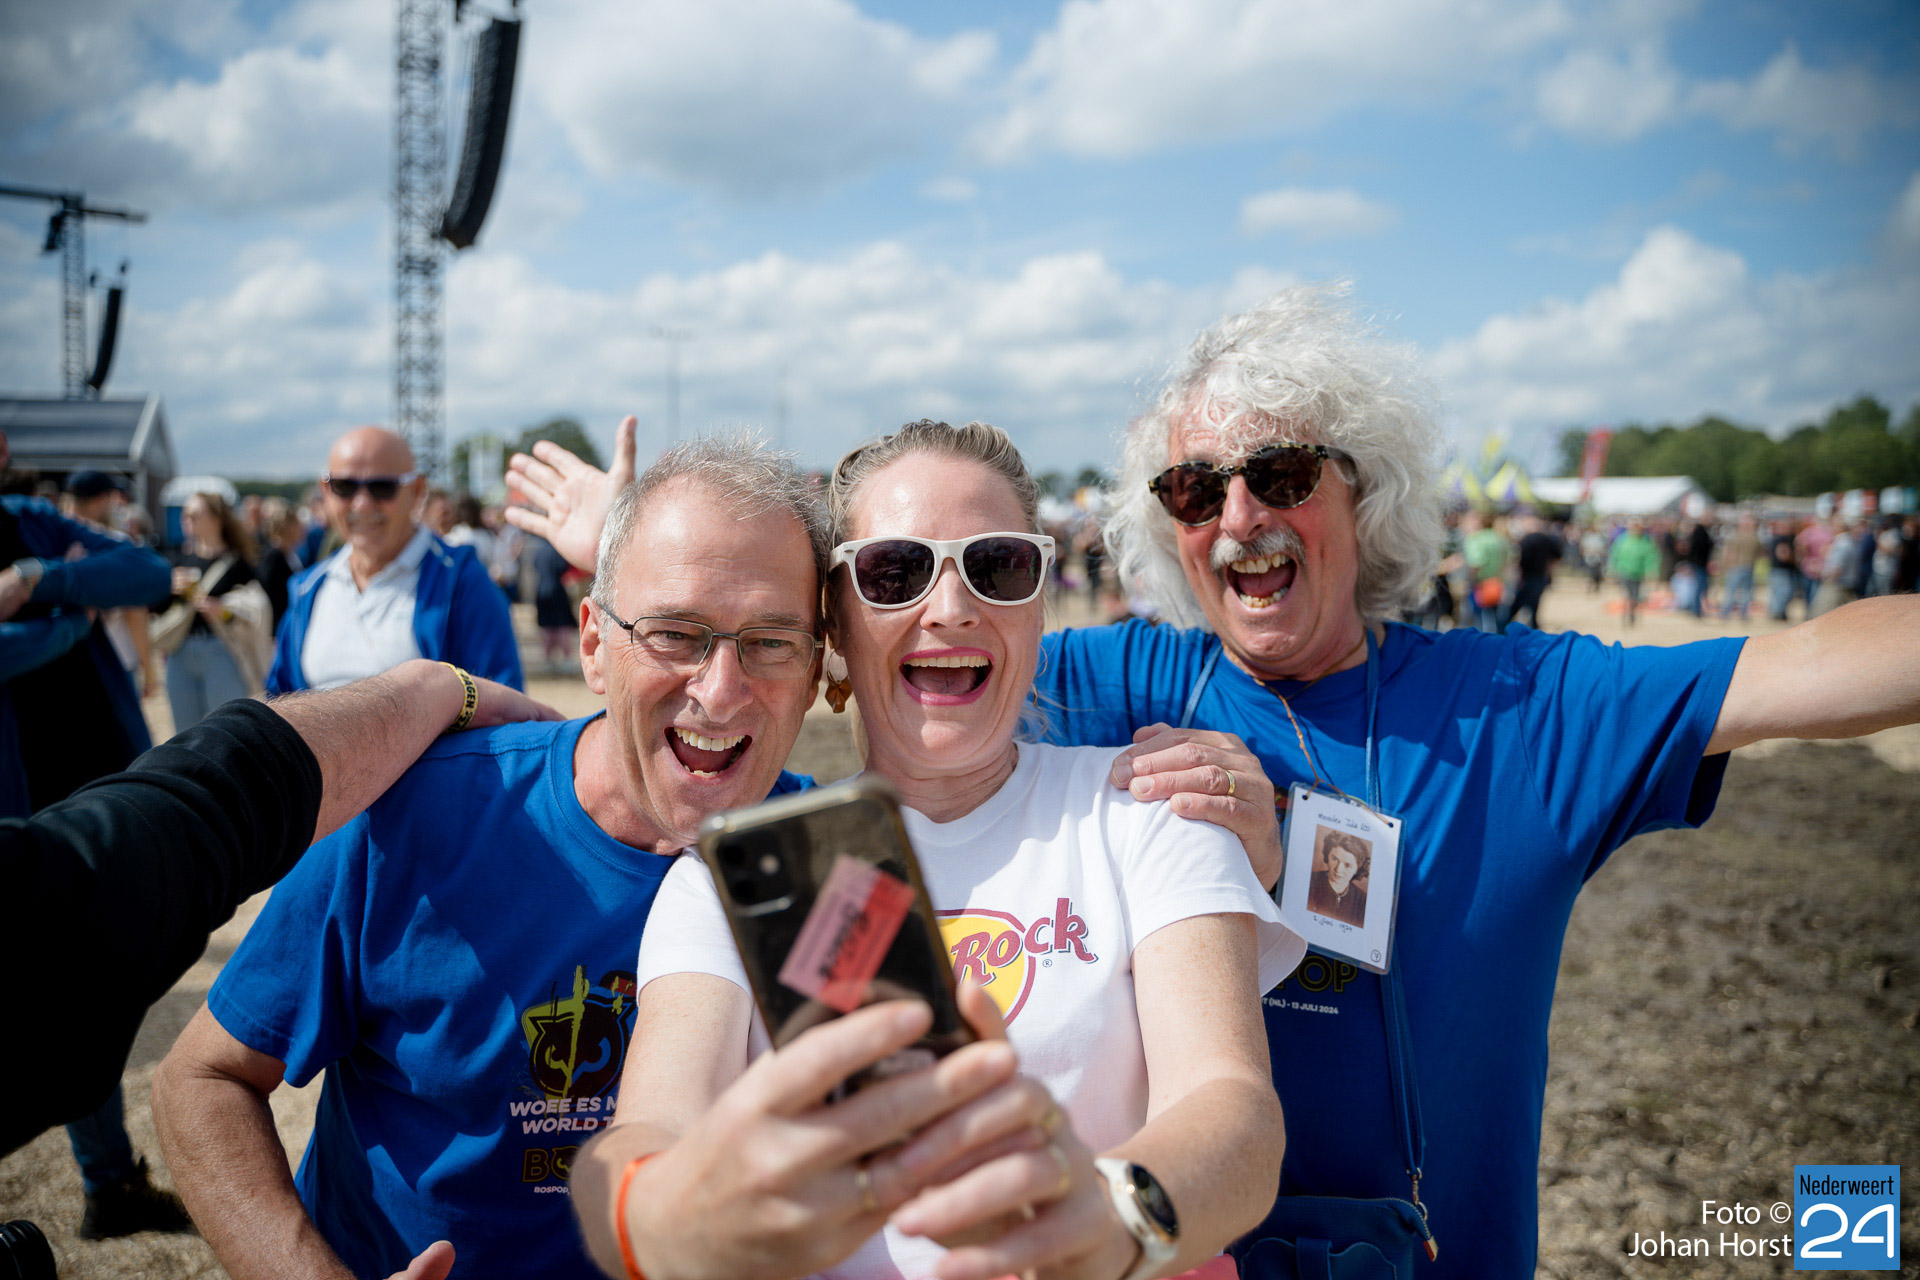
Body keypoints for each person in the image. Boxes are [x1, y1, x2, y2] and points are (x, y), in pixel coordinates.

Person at [507, 291, 1920, 1279]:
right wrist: (639, 568)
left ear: (1364, 490)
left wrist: (1114, 1210)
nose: (1237, 514)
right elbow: (888, 659)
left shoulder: (1526, 705)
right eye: (1193, 491)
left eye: (1280, 473)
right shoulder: (1135, 680)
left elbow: (1814, 667)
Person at [572, 420, 1300, 1280]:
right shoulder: (747, 876)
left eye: (997, 567)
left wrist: (1112, 1218)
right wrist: (666, 1216)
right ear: (835, 629)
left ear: (1039, 605)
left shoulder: (1149, 813)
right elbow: (647, 1133)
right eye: (895, 573)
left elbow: (1232, 1107)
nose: (950, 607)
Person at [155, 439, 830, 1280]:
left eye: (771, 641)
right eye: (674, 634)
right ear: (594, 646)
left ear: (815, 672)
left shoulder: (833, 864)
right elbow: (203, 1080)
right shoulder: (418, 813)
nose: (719, 690)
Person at [2, 660, 559, 1158]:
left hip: (378, 778)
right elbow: (205, 1071)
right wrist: (433, 689)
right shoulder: (355, 846)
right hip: (361, 799)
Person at [267, 426, 522, 693]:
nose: (362, 504)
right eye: (344, 487)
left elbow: (503, 701)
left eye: (382, 487)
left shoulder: (461, 582)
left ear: (417, 490)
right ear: (326, 490)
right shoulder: (309, 588)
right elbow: (279, 697)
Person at [157, 490, 274, 728]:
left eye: (194, 514)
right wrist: (168, 587)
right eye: (184, 514)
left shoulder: (239, 564)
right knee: (184, 734)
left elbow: (257, 609)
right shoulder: (178, 561)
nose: (186, 520)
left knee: (227, 729)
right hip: (180, 652)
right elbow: (159, 609)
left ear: (216, 519)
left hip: (222, 650)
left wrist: (223, 610)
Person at [1501, 514, 1560, 632]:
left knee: (1515, 607)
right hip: (1540, 578)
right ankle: (1533, 631)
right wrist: (1548, 570)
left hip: (1527, 578)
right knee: (1534, 607)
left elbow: (1519, 560)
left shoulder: (1526, 540)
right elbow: (1557, 557)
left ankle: (1504, 630)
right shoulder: (1547, 539)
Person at [257, 496, 307, 626]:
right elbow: (271, 598)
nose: (302, 528)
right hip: (279, 626)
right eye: (297, 524)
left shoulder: (290, 553)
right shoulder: (274, 558)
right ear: (287, 527)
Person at [1305, 832, 1367, 926]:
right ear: (1327, 856)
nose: (1338, 869)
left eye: (1347, 865)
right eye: (1334, 859)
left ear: (1357, 869)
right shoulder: (1309, 882)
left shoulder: (1362, 900)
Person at [1606, 516, 1660, 626]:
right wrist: (1611, 570)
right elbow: (1614, 555)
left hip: (1638, 574)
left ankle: (1632, 612)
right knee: (1626, 595)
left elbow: (1651, 557)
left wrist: (1651, 571)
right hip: (1623, 572)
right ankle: (1626, 614)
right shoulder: (1622, 540)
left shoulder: (1646, 542)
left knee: (1634, 597)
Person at [1718, 513, 1762, 621]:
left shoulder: (1736, 536)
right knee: (1746, 593)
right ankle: (1743, 615)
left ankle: (1725, 614)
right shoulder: (1755, 538)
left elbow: (1729, 552)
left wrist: (1725, 565)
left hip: (1736, 567)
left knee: (1730, 592)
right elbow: (1760, 553)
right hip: (1749, 567)